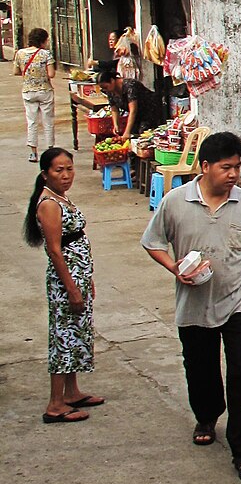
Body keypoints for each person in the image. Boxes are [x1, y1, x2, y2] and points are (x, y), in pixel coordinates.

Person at [140, 130, 241, 481]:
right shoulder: (175, 202)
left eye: (237, 167)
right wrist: (174, 268)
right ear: (205, 166)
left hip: (240, 300)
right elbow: (153, 242)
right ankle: (206, 415)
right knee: (200, 366)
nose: (233, 175)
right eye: (226, 168)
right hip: (194, 302)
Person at [23, 146, 101, 424]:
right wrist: (71, 287)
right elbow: (55, 250)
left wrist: (86, 279)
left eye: (69, 169)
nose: (66, 175)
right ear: (45, 174)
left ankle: (72, 391)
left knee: (76, 332)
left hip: (78, 275)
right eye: (59, 170)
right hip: (64, 281)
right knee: (63, 337)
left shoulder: (61, 198)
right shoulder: (48, 204)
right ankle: (55, 404)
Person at [14, 28, 56, 162]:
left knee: (31, 122)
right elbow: (51, 74)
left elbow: (15, 71)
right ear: (43, 40)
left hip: (28, 92)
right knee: (48, 121)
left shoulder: (20, 53)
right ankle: (50, 150)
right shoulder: (46, 54)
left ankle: (33, 153)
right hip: (45, 91)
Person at [97, 60, 165, 140]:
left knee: (143, 135)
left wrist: (127, 132)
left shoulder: (130, 86)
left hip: (150, 110)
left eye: (106, 87)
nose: (105, 90)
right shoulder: (110, 91)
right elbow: (114, 110)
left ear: (112, 81)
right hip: (137, 115)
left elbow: (133, 110)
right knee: (132, 135)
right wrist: (116, 125)